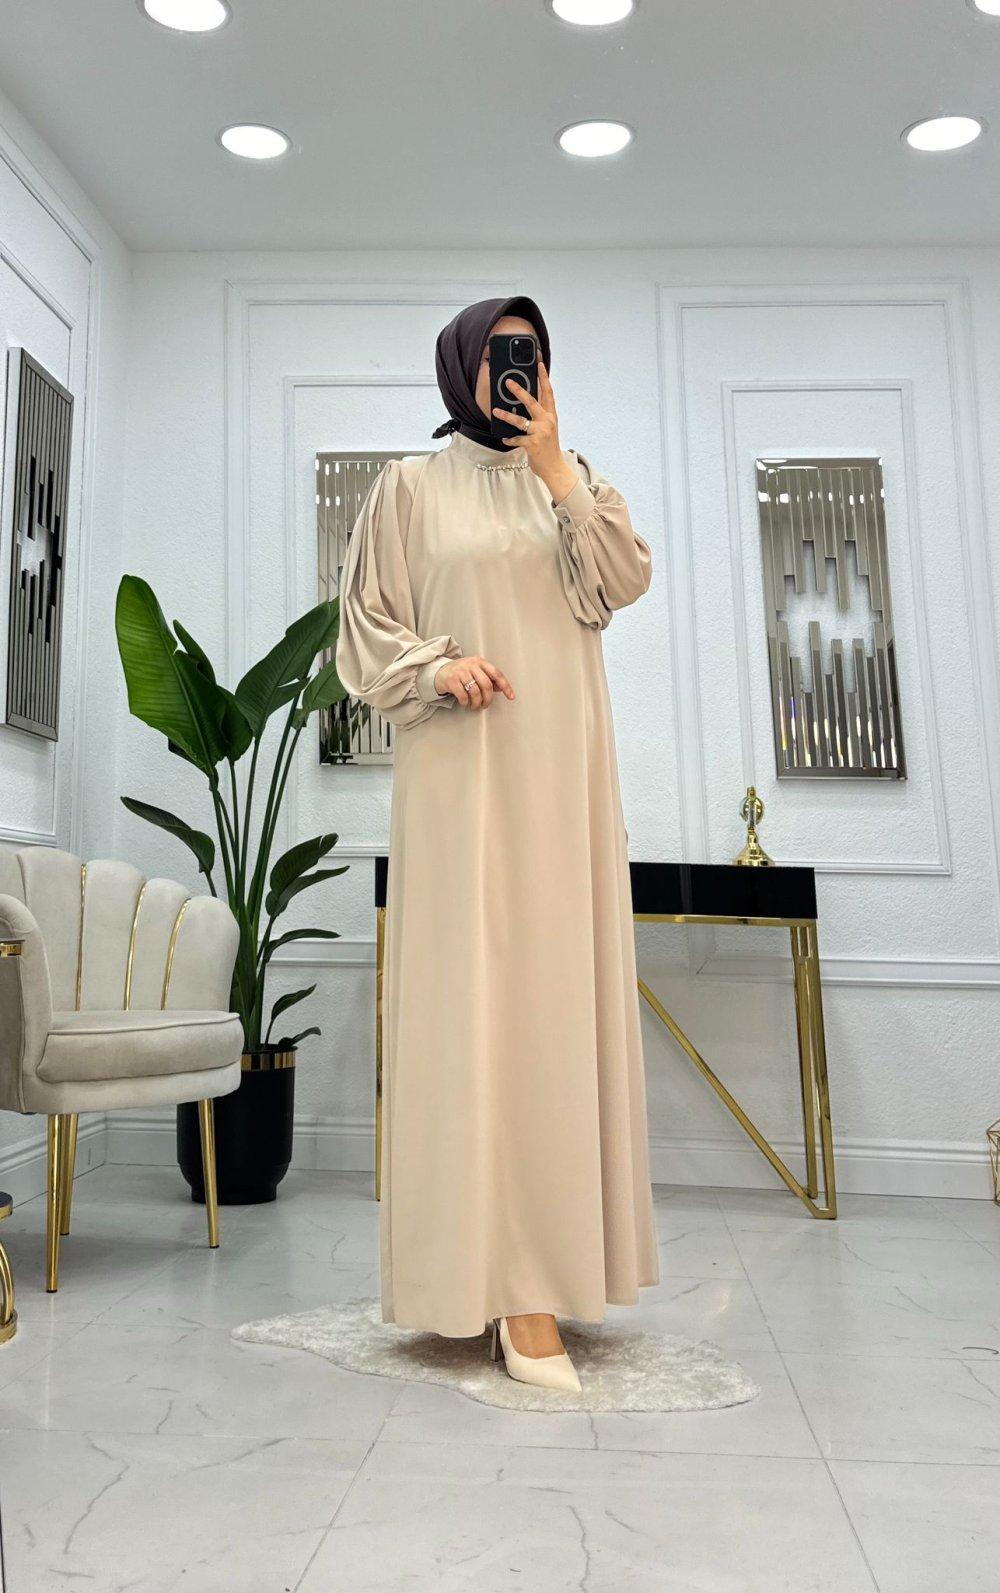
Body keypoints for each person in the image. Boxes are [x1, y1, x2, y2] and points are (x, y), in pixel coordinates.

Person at [335, 294, 660, 1393]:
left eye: (533, 353)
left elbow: (623, 580)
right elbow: (364, 626)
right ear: (461, 365)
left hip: (560, 781)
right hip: (460, 777)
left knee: (550, 1015)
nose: (517, 370)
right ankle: (480, 1280)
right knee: (468, 1015)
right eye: (500, 352)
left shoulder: (575, 483)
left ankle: (542, 1278)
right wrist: (436, 666)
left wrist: (558, 470)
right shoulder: (407, 487)